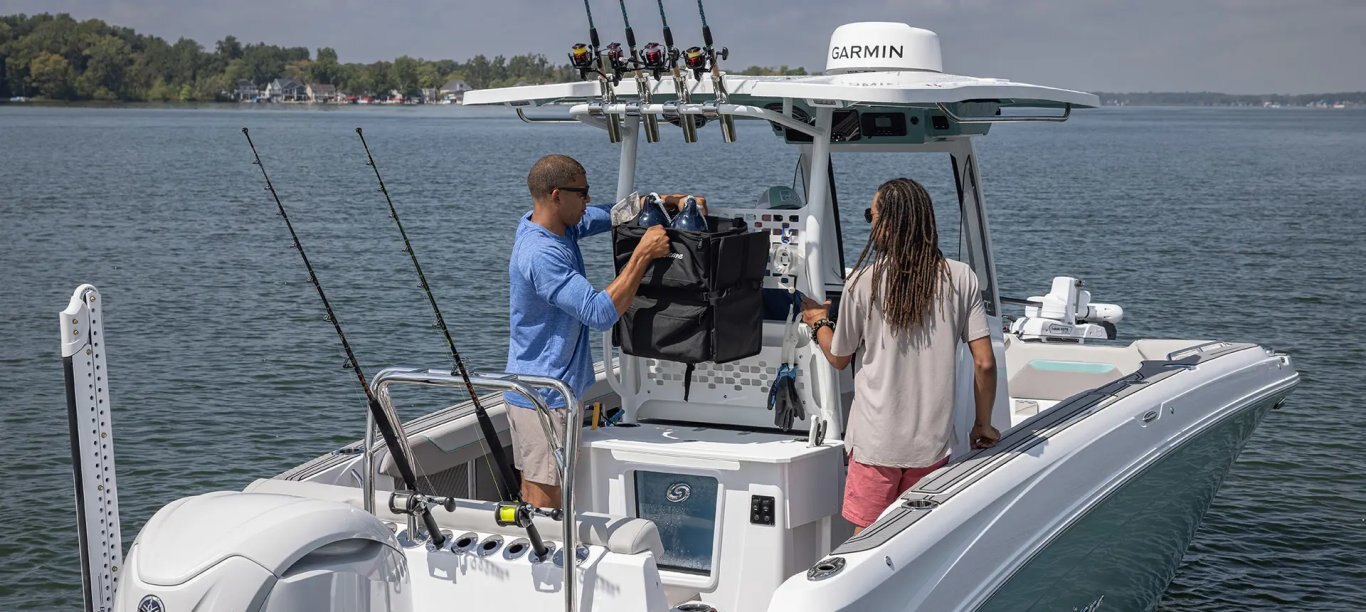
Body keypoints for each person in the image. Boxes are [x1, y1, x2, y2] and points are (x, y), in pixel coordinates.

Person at [801, 177, 1000, 535]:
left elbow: (839, 357)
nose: (870, 223)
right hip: (931, 446)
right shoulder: (961, 277)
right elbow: (985, 363)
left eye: (871, 216)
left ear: (888, 225)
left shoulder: (864, 282)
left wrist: (818, 323)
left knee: (865, 542)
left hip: (875, 446)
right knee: (915, 539)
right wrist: (982, 425)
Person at [505, 153, 698, 509]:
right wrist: (642, 255)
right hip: (544, 396)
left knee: (536, 493)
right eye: (583, 192)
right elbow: (599, 313)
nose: (589, 200)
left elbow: (609, 215)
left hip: (543, 390)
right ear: (556, 195)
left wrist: (659, 202)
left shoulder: (555, 226)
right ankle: (550, 561)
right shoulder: (541, 254)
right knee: (546, 503)